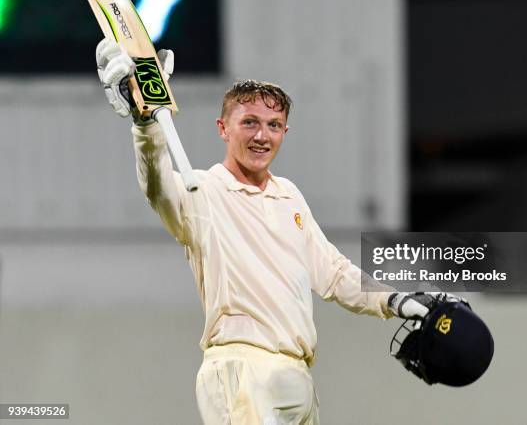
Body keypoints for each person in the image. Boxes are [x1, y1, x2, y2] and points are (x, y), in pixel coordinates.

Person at [95, 37, 461, 425]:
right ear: (223, 128)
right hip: (243, 371)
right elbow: (157, 186)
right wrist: (145, 124)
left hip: (298, 375)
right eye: (249, 122)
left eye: (274, 126)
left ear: (285, 131)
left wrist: (395, 301)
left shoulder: (289, 197)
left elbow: (334, 274)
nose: (261, 136)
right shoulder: (201, 193)